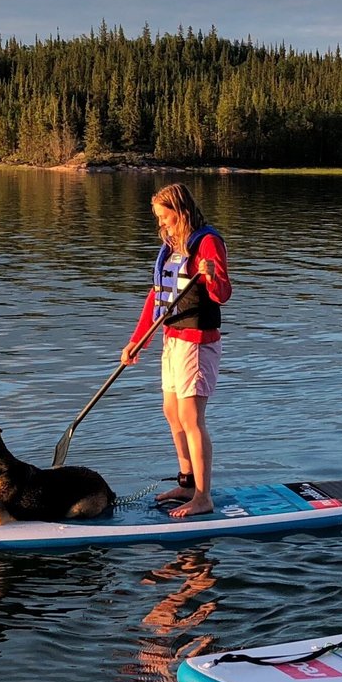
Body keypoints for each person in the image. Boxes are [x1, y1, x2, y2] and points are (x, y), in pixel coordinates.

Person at [120, 183, 231, 519]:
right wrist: (138, 339)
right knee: (171, 411)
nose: (161, 225)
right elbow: (157, 296)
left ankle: (202, 496)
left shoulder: (207, 242)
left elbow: (223, 293)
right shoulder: (171, 246)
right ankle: (186, 481)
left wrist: (211, 276)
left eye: (165, 218)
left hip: (198, 342)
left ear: (181, 211)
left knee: (191, 417)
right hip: (172, 339)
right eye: (158, 219)